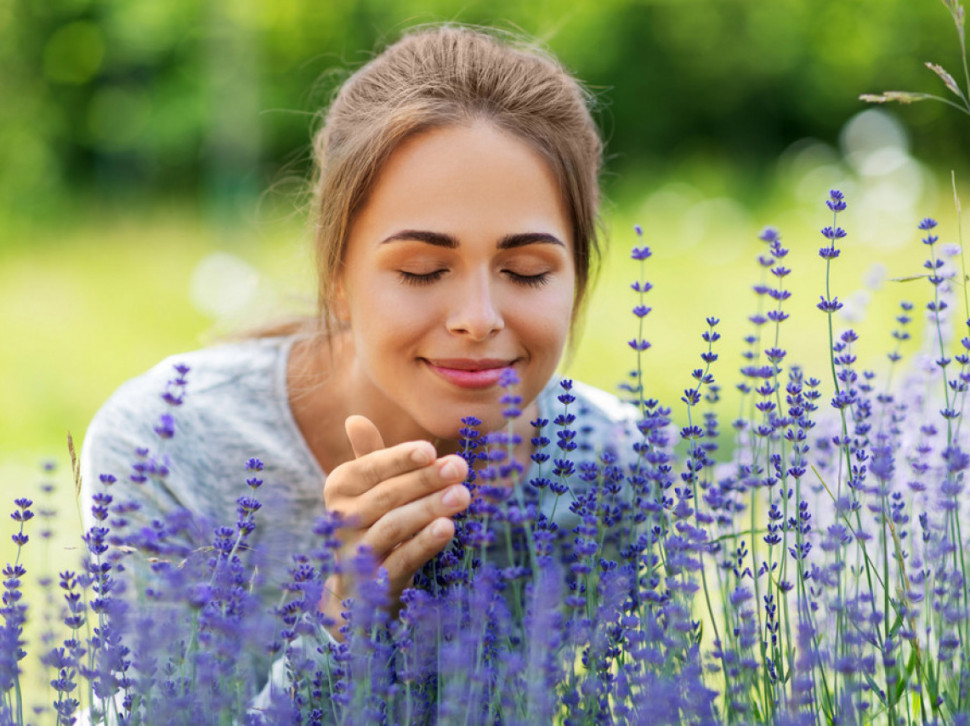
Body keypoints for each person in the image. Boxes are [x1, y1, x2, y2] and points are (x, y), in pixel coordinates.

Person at [80, 22, 638, 698]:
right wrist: (342, 623)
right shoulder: (169, 444)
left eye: (525, 271)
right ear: (338, 273)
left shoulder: (611, 464)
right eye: (425, 269)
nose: (479, 318)